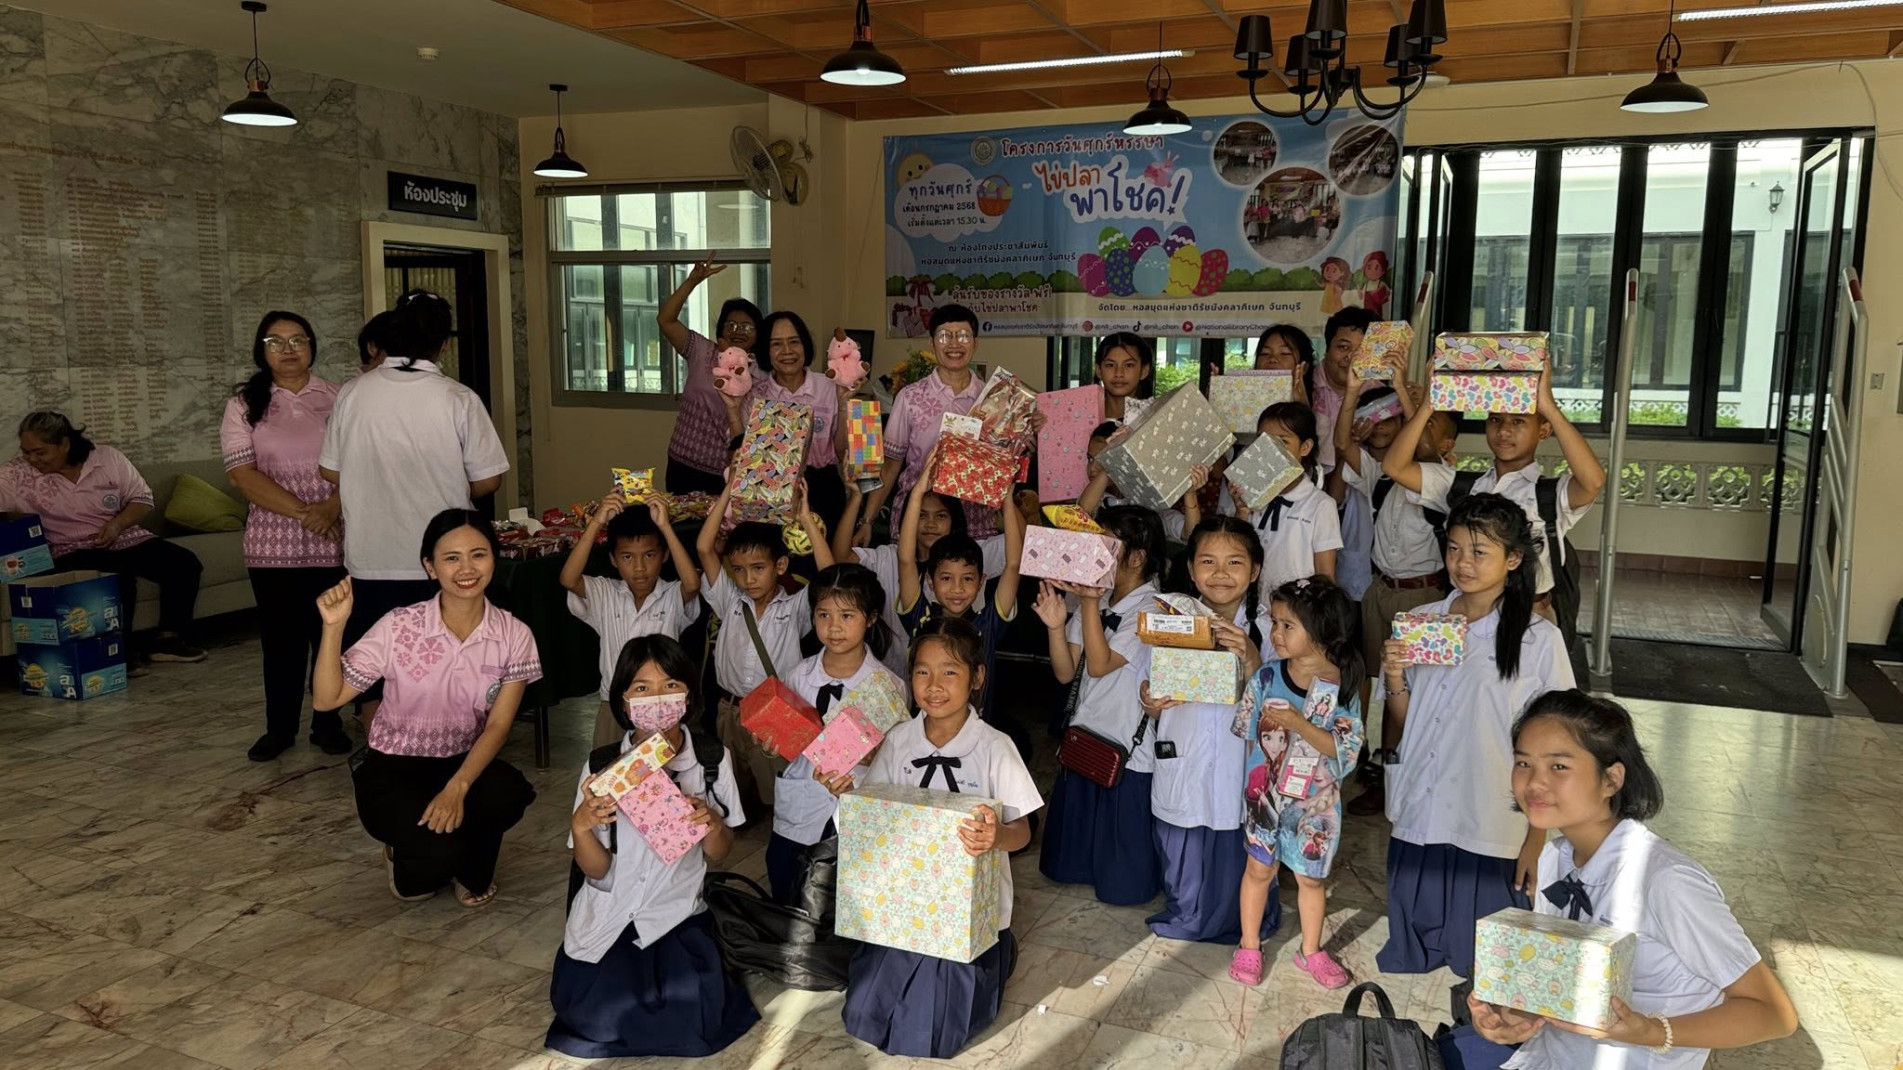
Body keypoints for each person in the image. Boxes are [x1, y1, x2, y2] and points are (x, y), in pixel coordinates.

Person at [1465, 690, 1799, 1068]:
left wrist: (1652, 1031)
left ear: (1611, 779)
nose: (1535, 783)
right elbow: (1556, 988)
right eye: (1523, 763)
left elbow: (1775, 1014)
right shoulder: (1554, 859)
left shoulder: (1666, 881)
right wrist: (1511, 1020)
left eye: (1559, 766)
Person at [1376, 494, 1575, 978]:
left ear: (1513, 559)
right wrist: (1395, 675)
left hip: (1491, 814)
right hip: (1425, 799)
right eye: (1454, 549)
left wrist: (1536, 840)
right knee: (1417, 938)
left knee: (1483, 962)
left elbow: (1558, 747)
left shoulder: (1537, 639)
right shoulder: (1422, 622)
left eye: (1479, 552)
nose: (1462, 563)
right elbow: (1406, 718)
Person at [834, 617, 1042, 1059]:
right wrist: (846, 794)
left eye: (950, 671)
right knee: (864, 1015)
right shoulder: (899, 740)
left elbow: (1022, 832)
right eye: (922, 672)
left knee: (935, 1032)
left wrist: (995, 837)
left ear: (977, 677)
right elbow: (875, 814)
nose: (934, 685)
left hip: (965, 908)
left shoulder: (995, 746)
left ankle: (997, 955)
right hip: (906, 901)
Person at [312, 509, 539, 907]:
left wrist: (457, 787)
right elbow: (326, 699)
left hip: (463, 761)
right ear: (430, 567)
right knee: (430, 863)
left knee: (507, 792)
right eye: (451, 558)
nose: (466, 569)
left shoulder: (513, 634)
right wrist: (333, 627)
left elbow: (498, 726)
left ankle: (468, 867)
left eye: (478, 554)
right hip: (395, 765)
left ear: (494, 559)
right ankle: (407, 854)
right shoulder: (399, 626)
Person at [547, 634, 755, 1058]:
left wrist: (711, 823)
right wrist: (581, 827)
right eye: (642, 688)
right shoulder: (601, 767)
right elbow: (596, 869)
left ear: (688, 695)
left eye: (670, 685)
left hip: (676, 910)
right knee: (597, 1018)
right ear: (624, 703)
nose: (657, 699)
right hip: (612, 910)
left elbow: (719, 852)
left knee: (693, 1019)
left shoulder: (711, 760)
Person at [319, 291, 511, 726]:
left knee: (373, 674)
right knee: (446, 667)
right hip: (441, 562)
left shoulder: (353, 393)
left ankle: (383, 754)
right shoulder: (456, 397)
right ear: (444, 343)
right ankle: (445, 753)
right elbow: (488, 480)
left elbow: (330, 470)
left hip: (371, 560)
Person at [1382, 352, 1606, 646]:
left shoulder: (1548, 494)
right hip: (1468, 614)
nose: (1504, 430)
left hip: (1529, 619)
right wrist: (1428, 404)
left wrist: (1548, 407)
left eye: (1518, 421)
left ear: (1543, 430)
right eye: (1495, 419)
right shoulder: (1463, 486)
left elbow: (1593, 481)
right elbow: (1394, 467)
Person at [1140, 516, 1278, 944]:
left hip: (1241, 762)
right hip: (1185, 751)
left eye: (1234, 562)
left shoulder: (1270, 629)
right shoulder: (1168, 621)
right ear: (1191, 568)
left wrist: (1252, 658)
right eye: (1208, 561)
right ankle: (1188, 914)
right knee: (1185, 834)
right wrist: (1149, 701)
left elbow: (1283, 706)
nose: (1220, 573)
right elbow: (1148, 685)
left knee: (1239, 836)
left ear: (1254, 570)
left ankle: (1245, 920)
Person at [221, 311, 346, 760]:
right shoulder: (243, 405)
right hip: (271, 546)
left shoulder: (339, 397)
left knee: (332, 637)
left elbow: (362, 462)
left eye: (298, 340)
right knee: (281, 643)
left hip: (337, 541)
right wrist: (309, 513)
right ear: (262, 351)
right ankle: (279, 729)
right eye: (275, 342)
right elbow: (242, 475)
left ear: (312, 346)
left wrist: (332, 507)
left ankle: (328, 722)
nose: (288, 349)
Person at [1229, 577, 1365, 990]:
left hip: (1316, 804)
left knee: (1311, 878)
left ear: (1323, 630)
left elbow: (1344, 751)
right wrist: (1255, 788)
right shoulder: (1266, 678)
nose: (1276, 633)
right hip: (1265, 798)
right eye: (1275, 622)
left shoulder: (1343, 686)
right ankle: (1249, 944)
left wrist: (1298, 724)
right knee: (1258, 869)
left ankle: (1311, 950)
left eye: (1288, 625)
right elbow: (1249, 734)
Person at [1337, 373, 1460, 819]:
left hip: (1421, 596)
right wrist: (1353, 392)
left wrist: (1417, 401)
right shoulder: (1383, 476)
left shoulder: (1446, 480)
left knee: (1406, 689)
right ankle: (1381, 771)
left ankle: (1400, 776)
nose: (1415, 427)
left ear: (1447, 444)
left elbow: (1410, 456)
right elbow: (1343, 444)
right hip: (1381, 590)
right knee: (1379, 680)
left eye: (1427, 425)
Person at [1034, 505, 1167, 905]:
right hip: (1087, 731)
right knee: (1069, 863)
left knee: (1124, 883)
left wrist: (1089, 602)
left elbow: (1100, 663)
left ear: (1136, 558)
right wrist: (1056, 626)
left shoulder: (1152, 608)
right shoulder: (1098, 595)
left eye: (1106, 545)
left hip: (1127, 742)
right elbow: (1066, 672)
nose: (1093, 552)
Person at [1, 411, 205, 667]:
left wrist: (117, 525)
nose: (32, 459)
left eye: (40, 452)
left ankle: (168, 640)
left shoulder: (107, 458)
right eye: (26, 452)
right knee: (117, 576)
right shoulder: (16, 474)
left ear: (65, 443)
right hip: (68, 548)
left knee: (184, 563)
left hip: (123, 536)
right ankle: (119, 652)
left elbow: (141, 499)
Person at [694, 479, 832, 814]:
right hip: (729, 709)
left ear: (780, 566)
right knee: (732, 790)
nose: (748, 579)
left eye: (758, 568)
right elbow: (704, 547)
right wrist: (728, 492)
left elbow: (830, 578)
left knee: (776, 793)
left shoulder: (795, 608)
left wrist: (805, 517)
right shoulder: (730, 601)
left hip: (773, 713)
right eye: (739, 570)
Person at [765, 563, 900, 902]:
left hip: (855, 806)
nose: (834, 627)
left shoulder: (888, 685)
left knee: (847, 898)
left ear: (871, 618)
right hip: (801, 804)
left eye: (847, 616)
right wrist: (771, 744)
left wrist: (877, 754)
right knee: (786, 884)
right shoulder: (797, 676)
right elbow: (788, 745)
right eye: (823, 615)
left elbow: (898, 759)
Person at [895, 444, 1026, 742]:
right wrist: (918, 492)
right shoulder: (920, 618)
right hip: (920, 739)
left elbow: (1014, 564)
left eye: (967, 579)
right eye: (946, 578)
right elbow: (905, 559)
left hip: (976, 742)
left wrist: (1006, 499)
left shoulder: (987, 623)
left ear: (981, 582)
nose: (957, 589)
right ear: (930, 581)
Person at [561, 497, 701, 748]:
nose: (639, 567)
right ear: (613, 559)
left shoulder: (671, 595)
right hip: (614, 706)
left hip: (663, 707)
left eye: (649, 555)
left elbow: (692, 584)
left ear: (665, 555)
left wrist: (665, 526)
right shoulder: (605, 593)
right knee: (609, 768)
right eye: (627, 557)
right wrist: (596, 523)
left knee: (668, 770)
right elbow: (568, 579)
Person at [832, 477, 1005, 674]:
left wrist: (1008, 495)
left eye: (941, 516)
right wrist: (856, 498)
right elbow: (842, 557)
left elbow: (1027, 549)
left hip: (955, 679)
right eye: (921, 515)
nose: (931, 524)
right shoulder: (889, 557)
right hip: (893, 677)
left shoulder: (973, 554)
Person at [858, 304, 991, 542]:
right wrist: (868, 520)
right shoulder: (910, 397)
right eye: (944, 336)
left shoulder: (992, 398)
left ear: (975, 342)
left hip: (975, 523)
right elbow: (890, 466)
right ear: (931, 343)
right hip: (918, 522)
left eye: (963, 336)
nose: (954, 344)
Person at [736, 310, 850, 534]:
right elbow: (741, 458)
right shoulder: (755, 396)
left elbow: (842, 453)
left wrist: (844, 405)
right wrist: (732, 409)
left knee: (825, 553)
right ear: (765, 351)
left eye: (794, 342)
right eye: (776, 344)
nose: (787, 351)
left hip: (824, 489)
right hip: (772, 490)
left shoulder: (830, 387)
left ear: (805, 345)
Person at [659, 255, 764, 497]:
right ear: (721, 329)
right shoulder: (702, 351)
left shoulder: (762, 372)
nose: (738, 332)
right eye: (731, 325)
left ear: (758, 333)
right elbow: (665, 320)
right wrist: (692, 281)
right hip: (682, 464)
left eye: (747, 327)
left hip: (728, 472)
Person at [1234, 401, 1340, 597]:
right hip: (1251, 607)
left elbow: (1325, 577)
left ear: (1305, 447)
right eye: (1263, 441)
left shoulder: (1321, 504)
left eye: (1282, 442)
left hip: (1295, 610)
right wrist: (1241, 512)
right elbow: (1235, 554)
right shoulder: (1250, 496)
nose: (1271, 451)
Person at [1314, 308, 1378, 471]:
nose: (1351, 358)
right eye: (1343, 347)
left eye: (1362, 351)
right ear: (1327, 349)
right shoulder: (1303, 385)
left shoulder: (1381, 396)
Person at [1094, 332, 1155, 426]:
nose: (1119, 373)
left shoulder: (1155, 418)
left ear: (1144, 371)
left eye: (1129, 365)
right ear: (1099, 370)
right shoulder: (1082, 417)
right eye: (1110, 365)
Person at [1252, 324, 1315, 403]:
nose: (1272, 359)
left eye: (1285, 353)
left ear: (1304, 367)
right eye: (1265, 353)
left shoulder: (1319, 402)